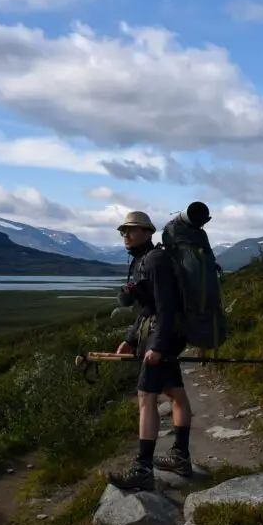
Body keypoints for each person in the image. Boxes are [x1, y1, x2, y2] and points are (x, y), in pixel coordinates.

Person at [106, 210, 194, 491]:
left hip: (162, 336)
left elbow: (166, 308)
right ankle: (181, 456)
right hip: (159, 335)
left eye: (131, 230)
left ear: (148, 232)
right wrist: (131, 338)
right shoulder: (140, 262)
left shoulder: (155, 261)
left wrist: (156, 346)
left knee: (146, 397)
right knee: (175, 394)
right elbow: (148, 308)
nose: (126, 235)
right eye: (123, 231)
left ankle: (143, 469)